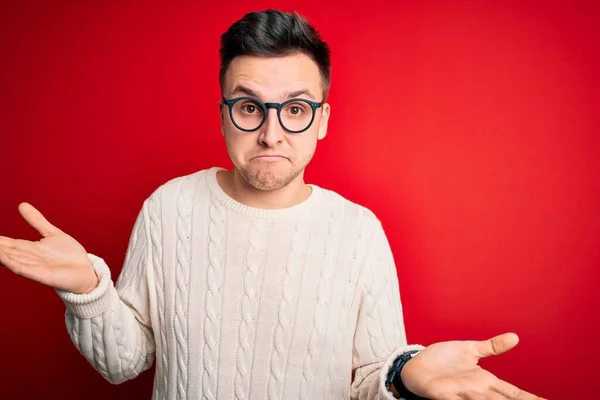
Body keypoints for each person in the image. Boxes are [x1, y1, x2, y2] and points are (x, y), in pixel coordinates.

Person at [0, 9, 544, 400]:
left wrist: (403, 375)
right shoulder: (169, 208)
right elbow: (124, 365)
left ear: (323, 120)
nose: (271, 133)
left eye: (296, 109)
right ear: (222, 114)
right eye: (248, 107)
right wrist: (88, 292)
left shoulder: (358, 232)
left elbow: (368, 378)